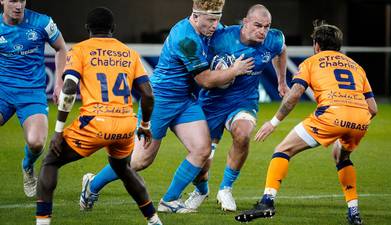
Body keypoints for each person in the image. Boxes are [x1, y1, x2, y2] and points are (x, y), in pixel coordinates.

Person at [79, 0, 254, 213]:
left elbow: (231, 36)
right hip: (160, 100)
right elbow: (205, 80)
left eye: (217, 19)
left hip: (186, 100)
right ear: (195, 16)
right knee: (139, 161)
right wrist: (234, 70)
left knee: (202, 149)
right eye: (210, 20)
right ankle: (93, 184)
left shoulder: (211, 29)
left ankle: (170, 200)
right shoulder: (185, 37)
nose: (215, 25)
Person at [234, 21, 378, 225]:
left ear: (317, 45)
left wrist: (273, 122)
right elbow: (373, 108)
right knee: (342, 157)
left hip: (330, 116)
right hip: (361, 119)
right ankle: (354, 213)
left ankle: (267, 202)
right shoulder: (356, 66)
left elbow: (293, 96)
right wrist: (352, 124)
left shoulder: (311, 62)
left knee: (283, 150)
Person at [35, 7, 162, 225]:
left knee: (50, 162)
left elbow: (68, 88)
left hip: (94, 124)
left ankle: (42, 222)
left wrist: (58, 131)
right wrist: (145, 125)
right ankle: (153, 220)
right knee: (123, 168)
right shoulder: (129, 53)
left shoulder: (80, 50)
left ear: (87, 29)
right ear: (113, 28)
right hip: (125, 125)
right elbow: (148, 94)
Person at [184, 4, 289, 212]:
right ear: (245, 22)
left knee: (242, 134)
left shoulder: (273, 39)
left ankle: (225, 189)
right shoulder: (220, 37)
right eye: (258, 25)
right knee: (201, 158)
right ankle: (201, 190)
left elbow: (282, 50)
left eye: (266, 26)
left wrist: (281, 81)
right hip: (211, 103)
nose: (262, 31)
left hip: (243, 101)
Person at [0, 0, 67, 197]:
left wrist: (59, 84)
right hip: (2, 91)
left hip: (32, 93)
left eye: (22, 0)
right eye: (13, 0)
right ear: (2, 0)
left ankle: (27, 166)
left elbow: (62, 48)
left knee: (37, 142)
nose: (18, 5)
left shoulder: (42, 22)